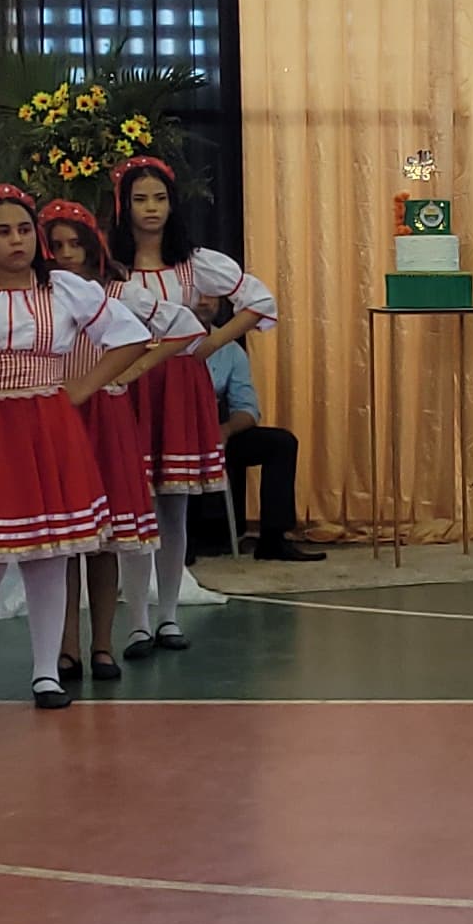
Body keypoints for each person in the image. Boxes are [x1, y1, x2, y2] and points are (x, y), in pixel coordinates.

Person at [0, 184, 152, 720]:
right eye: (2, 231)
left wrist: (81, 388)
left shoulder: (63, 288)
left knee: (49, 555)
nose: (17, 240)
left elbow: (131, 336)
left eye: (24, 229)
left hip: (46, 425)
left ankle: (46, 672)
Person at [107, 158, 278, 649]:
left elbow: (259, 301)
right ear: (123, 206)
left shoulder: (193, 263)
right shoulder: (110, 267)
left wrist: (210, 343)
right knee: (134, 508)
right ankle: (137, 620)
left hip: (180, 385)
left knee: (173, 508)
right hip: (128, 383)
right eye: (140, 199)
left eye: (160, 198)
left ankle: (168, 615)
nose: (151, 208)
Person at [40, 199, 185, 684]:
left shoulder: (117, 292)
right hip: (56, 414)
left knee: (105, 541)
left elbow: (184, 328)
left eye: (74, 244)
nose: (66, 254)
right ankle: (65, 648)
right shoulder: (41, 296)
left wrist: (130, 370)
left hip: (105, 415)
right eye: (55, 245)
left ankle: (102, 644)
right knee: (64, 542)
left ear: (92, 246)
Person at [193, 306, 323, 561]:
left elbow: (248, 409)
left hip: (216, 432)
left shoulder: (230, 349)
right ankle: (185, 541)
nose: (205, 301)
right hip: (172, 435)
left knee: (281, 443)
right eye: (200, 293)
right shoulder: (160, 344)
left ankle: (273, 540)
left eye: (212, 295)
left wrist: (226, 430)